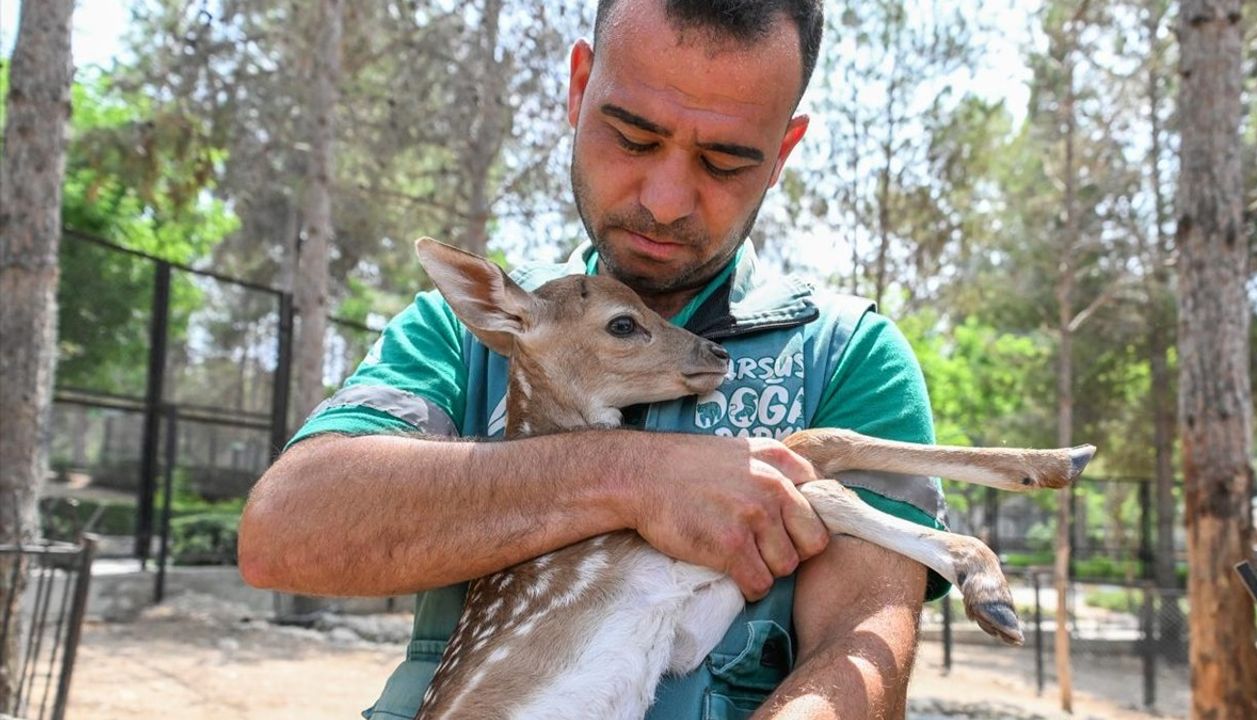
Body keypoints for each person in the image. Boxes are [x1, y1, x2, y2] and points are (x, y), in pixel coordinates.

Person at [239, 0, 949, 717]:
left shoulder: (845, 354)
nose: (667, 202)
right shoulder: (472, 331)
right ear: (579, 88)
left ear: (782, 152)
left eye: (725, 161)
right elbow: (286, 531)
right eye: (633, 138)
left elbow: (860, 650)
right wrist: (632, 475)